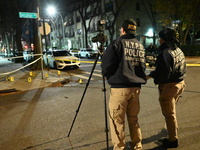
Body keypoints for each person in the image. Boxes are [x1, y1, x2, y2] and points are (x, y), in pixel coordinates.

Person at [101, 19, 146, 150]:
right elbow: (142, 67)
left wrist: (109, 76)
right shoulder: (139, 45)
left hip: (120, 89)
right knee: (133, 119)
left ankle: (120, 147)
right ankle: (137, 145)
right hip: (136, 89)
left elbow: (107, 65)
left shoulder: (117, 43)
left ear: (122, 29)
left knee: (117, 122)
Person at [147, 28, 186, 148]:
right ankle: (172, 130)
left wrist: (151, 75)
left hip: (169, 87)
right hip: (180, 84)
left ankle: (173, 139)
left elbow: (163, 74)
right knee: (171, 112)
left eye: (160, 38)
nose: (159, 40)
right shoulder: (177, 49)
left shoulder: (165, 52)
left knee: (169, 114)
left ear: (164, 39)